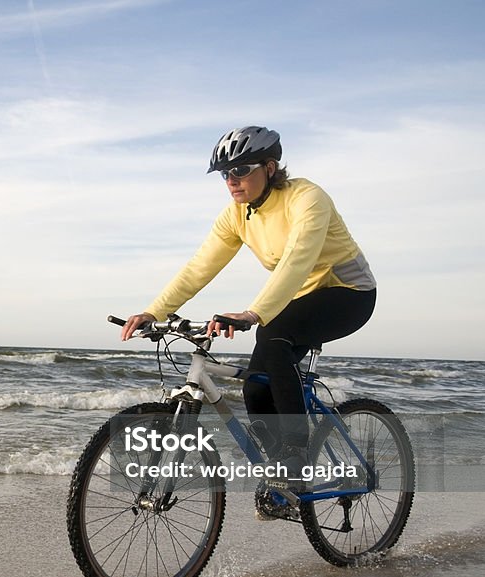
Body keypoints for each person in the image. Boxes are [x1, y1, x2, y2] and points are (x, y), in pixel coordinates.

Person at [120, 125, 377, 491]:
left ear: (270, 168)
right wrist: (155, 311)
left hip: (349, 294)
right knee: (257, 387)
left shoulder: (306, 198)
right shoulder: (236, 215)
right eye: (226, 174)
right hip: (296, 298)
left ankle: (296, 455)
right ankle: (280, 479)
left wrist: (253, 313)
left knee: (272, 335)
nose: (232, 181)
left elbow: (297, 259)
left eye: (241, 170)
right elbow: (199, 267)